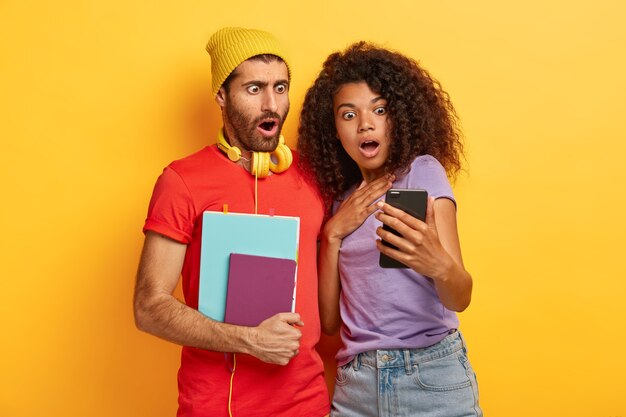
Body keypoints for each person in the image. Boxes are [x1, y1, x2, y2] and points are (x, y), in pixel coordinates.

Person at [133, 27, 330, 417]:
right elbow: (148, 306)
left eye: (280, 87)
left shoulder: (314, 177)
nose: (272, 104)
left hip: (308, 404)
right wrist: (249, 340)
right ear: (221, 95)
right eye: (254, 89)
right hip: (215, 406)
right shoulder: (182, 181)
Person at [297, 42, 482, 417]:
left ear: (398, 117)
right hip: (358, 387)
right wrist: (332, 233)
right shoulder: (340, 203)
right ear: (333, 129)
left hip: (431, 375)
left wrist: (436, 263)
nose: (365, 123)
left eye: (379, 110)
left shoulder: (422, 172)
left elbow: (459, 298)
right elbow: (330, 323)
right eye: (348, 115)